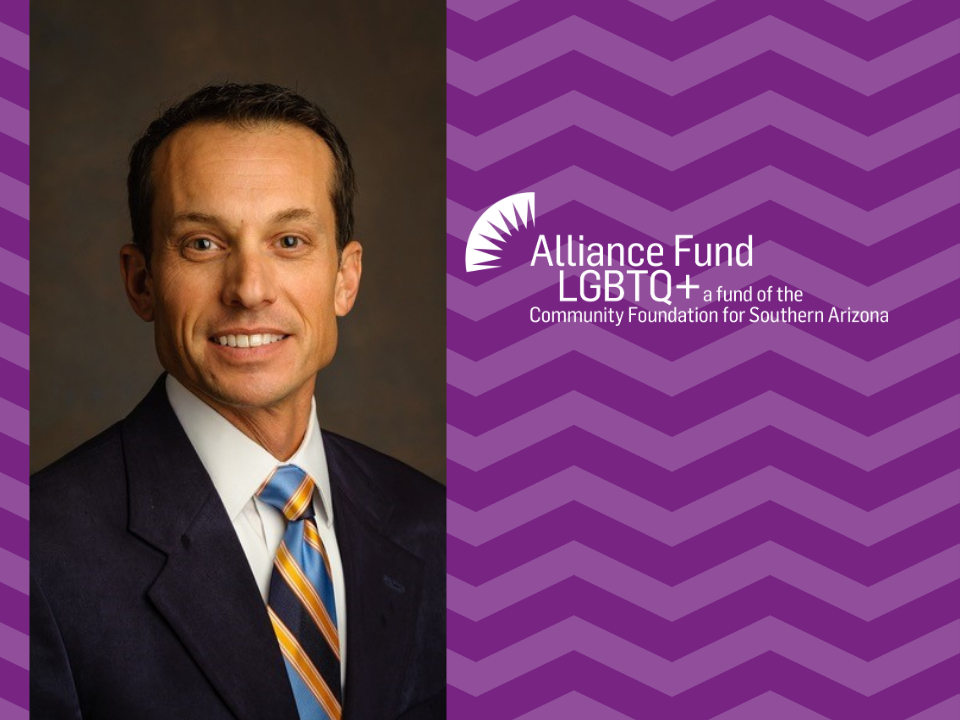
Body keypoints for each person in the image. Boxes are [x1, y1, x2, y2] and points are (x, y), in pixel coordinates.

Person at [31, 83, 445, 720]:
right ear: (141, 283)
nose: (249, 289)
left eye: (289, 242)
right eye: (203, 243)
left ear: (346, 277)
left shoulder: (437, 525)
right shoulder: (35, 557)